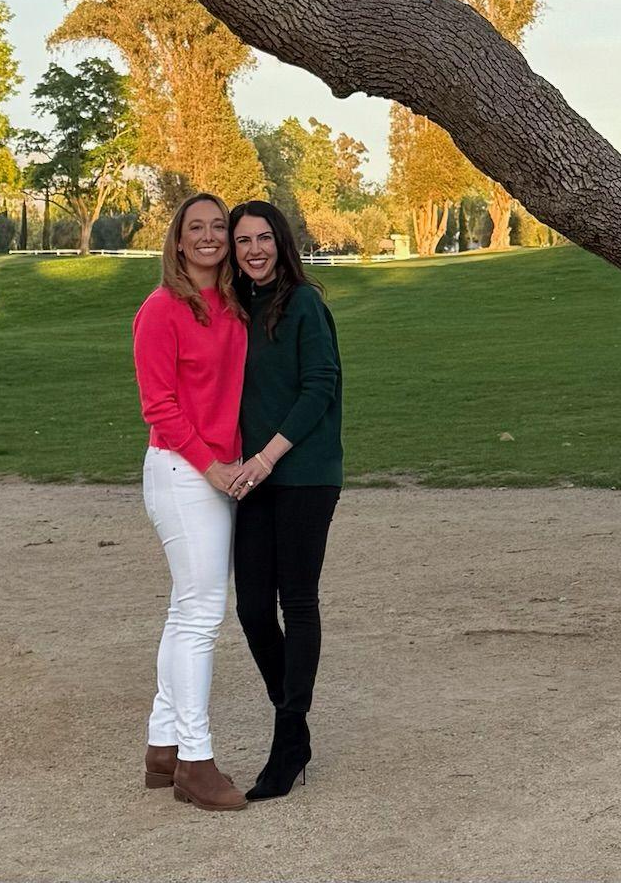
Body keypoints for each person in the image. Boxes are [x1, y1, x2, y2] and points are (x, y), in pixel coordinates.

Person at [132, 193, 252, 812]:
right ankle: (195, 762)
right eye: (195, 228)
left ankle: (161, 747)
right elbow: (160, 407)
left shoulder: (231, 305)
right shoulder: (161, 309)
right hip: (184, 472)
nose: (208, 237)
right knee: (202, 615)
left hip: (216, 473)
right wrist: (213, 470)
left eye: (217, 228)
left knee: (188, 609)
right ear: (177, 242)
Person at [227, 200, 344, 802]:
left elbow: (319, 385)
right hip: (252, 477)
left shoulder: (304, 305)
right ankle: (293, 725)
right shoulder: (232, 309)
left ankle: (287, 733)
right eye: (243, 239)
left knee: (296, 599)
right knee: (251, 608)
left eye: (264, 237)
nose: (254, 249)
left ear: (282, 242)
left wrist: (268, 455)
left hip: (303, 472)